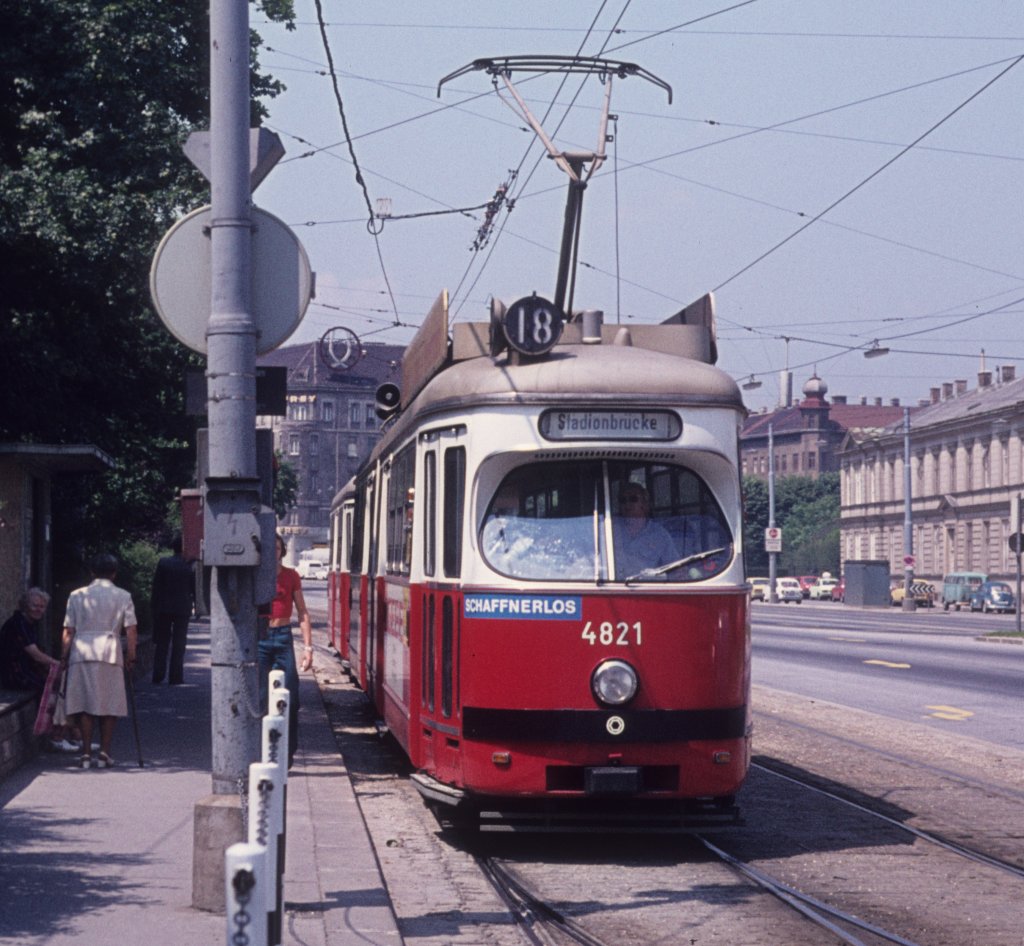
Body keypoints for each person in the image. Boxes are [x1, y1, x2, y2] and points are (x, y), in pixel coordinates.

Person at [61, 554, 138, 769]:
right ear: (114, 573)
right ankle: (104, 753)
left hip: (82, 651)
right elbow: (131, 629)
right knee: (109, 703)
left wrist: (64, 656)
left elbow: (68, 630)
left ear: (92, 572)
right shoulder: (123, 596)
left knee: (85, 703)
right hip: (110, 651)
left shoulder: (77, 595)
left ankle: (86, 754)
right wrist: (132, 656)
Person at [0, 588, 78, 751]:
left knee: (64, 689)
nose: (39, 610)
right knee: (56, 693)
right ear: (25, 605)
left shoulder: (28, 623)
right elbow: (35, 654)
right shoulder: (19, 623)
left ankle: (72, 736)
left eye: (42, 607)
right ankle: (57, 738)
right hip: (13, 674)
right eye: (35, 606)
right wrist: (57, 664)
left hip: (22, 671)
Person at [259, 534, 312, 765]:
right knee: (260, 697)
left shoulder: (291, 576)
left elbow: (302, 612)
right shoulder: (256, 576)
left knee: (292, 694)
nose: (274, 552)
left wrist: (308, 648)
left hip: (282, 637)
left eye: (278, 548)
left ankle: (288, 752)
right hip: (260, 638)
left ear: (282, 551)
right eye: (270, 548)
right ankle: (262, 749)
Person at [150, 535, 195, 685]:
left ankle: (158, 675)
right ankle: (175, 677)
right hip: (183, 609)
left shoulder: (163, 563)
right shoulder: (189, 566)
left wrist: (154, 607)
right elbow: (194, 589)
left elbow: (156, 587)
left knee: (162, 642)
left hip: (164, 608)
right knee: (179, 643)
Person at [613, 483, 678, 578]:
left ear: (644, 504)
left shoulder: (660, 535)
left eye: (633, 499)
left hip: (646, 588)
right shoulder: (611, 531)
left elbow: (674, 569)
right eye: (623, 500)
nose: (627, 504)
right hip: (615, 587)